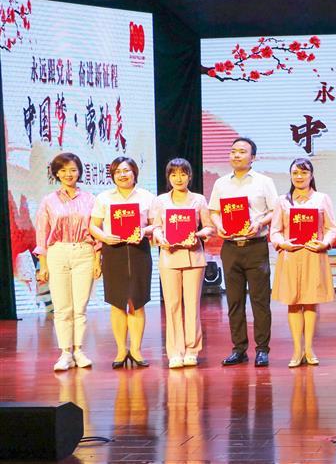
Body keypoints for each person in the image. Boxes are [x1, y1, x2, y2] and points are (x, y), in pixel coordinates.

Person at [208, 137, 279, 367]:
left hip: (255, 246)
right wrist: (219, 225)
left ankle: (262, 349)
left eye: (241, 151)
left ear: (253, 157)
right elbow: (214, 211)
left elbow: (275, 210)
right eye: (233, 151)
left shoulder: (264, 182)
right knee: (234, 301)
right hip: (230, 247)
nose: (236, 155)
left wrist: (260, 223)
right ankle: (239, 348)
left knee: (260, 301)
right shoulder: (221, 183)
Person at [34, 152, 100, 371]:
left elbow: (97, 231)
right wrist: (43, 265)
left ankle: (79, 351)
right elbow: (42, 233)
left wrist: (97, 259)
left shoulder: (90, 199)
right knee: (62, 308)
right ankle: (65, 354)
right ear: (56, 174)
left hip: (84, 252)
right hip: (58, 252)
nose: (68, 174)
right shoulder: (48, 201)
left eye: (72, 169)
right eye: (63, 170)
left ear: (79, 171)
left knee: (80, 307)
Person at [269, 158, 336, 367]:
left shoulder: (321, 199)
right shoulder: (282, 201)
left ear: (311, 175)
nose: (299, 177)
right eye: (295, 173)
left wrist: (324, 243)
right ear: (290, 176)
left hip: (313, 255)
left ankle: (309, 348)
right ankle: (297, 350)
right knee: (293, 302)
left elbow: (331, 228)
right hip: (291, 256)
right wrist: (282, 243)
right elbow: (275, 231)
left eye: (304, 173)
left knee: (310, 301)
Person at [89, 156, 156, 368]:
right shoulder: (104, 198)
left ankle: (136, 350)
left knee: (137, 302)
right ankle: (120, 350)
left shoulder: (147, 197)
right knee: (117, 302)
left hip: (139, 251)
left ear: (134, 173)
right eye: (117, 171)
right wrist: (104, 237)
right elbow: (93, 225)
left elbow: (156, 224)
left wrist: (144, 231)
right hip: (113, 251)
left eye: (126, 170)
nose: (122, 175)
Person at [151, 158, 215, 369]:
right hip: (169, 257)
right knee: (172, 305)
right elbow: (156, 227)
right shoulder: (161, 201)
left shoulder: (198, 200)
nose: (178, 178)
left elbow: (209, 227)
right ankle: (175, 352)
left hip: (193, 257)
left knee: (192, 305)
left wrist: (198, 235)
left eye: (183, 174)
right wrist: (160, 238)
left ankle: (192, 350)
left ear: (190, 176)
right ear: (168, 177)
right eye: (174, 174)